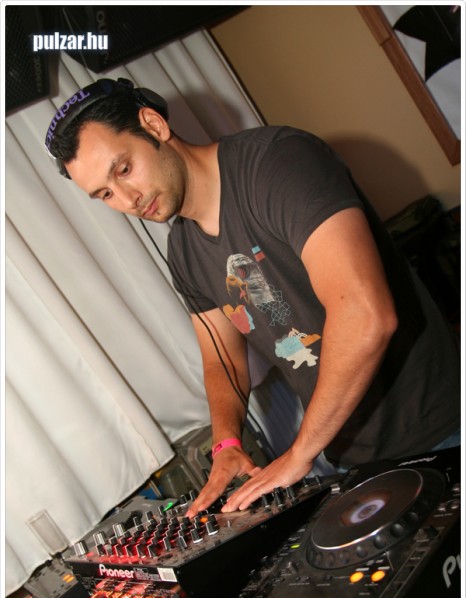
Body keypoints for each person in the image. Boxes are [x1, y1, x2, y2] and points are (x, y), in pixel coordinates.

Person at [45, 78, 461, 517]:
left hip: (442, 429)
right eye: (105, 194)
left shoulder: (279, 162)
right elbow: (221, 360)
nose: (127, 200)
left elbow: (366, 315)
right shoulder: (183, 252)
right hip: (349, 459)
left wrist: (300, 453)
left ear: (154, 125)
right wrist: (226, 442)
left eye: (124, 169)